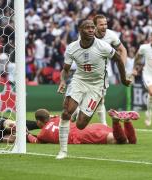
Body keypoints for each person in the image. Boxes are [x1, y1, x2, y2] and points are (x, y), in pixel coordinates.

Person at [56, 19, 132, 159]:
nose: (91, 30)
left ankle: (79, 110)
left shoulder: (103, 46)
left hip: (97, 85)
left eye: (92, 27)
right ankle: (63, 151)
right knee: (66, 113)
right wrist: (62, 80)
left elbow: (119, 60)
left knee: (80, 125)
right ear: (80, 30)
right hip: (79, 81)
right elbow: (66, 69)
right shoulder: (72, 47)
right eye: (87, 28)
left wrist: (123, 79)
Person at [28, 109, 139, 146]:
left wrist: (27, 134)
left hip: (82, 135)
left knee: (121, 141)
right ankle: (127, 121)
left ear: (39, 121)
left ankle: (116, 121)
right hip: (92, 127)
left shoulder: (43, 133)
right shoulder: (56, 119)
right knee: (131, 141)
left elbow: (36, 141)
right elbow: (53, 116)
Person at [93, 14, 128, 125]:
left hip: (102, 72)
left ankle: (104, 125)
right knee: (82, 98)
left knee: (101, 99)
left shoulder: (111, 35)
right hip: (85, 71)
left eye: (105, 24)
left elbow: (123, 50)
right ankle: (76, 114)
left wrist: (123, 68)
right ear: (95, 26)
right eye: (101, 24)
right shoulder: (87, 34)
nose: (104, 26)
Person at [132, 32, 152, 126]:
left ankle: (149, 110)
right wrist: (134, 68)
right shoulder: (144, 48)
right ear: (150, 38)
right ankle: (149, 112)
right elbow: (137, 58)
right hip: (148, 75)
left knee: (151, 95)